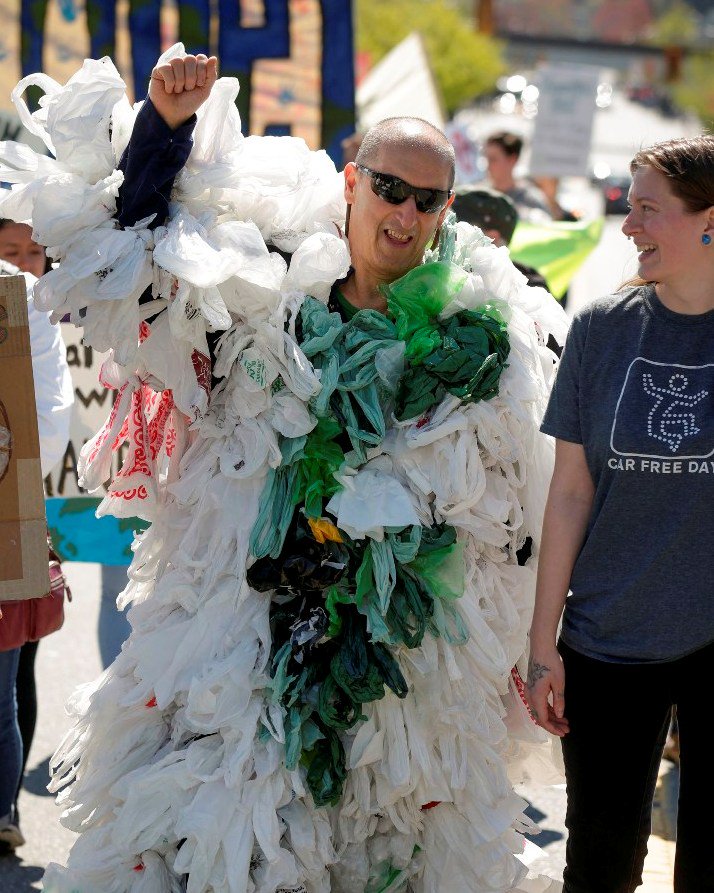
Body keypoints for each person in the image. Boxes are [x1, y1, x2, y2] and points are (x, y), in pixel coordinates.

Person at [1, 49, 567, 891]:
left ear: (447, 209)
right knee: (225, 853)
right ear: (351, 181)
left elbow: (517, 509)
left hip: (392, 683)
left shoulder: (478, 339)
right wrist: (163, 127)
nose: (405, 214)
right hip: (242, 647)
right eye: (389, 189)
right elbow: (143, 260)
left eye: (428, 200)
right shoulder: (266, 286)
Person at [527, 134, 714, 893]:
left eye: (647, 210)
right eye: (627, 209)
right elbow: (570, 491)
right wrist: (543, 643)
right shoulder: (601, 328)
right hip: (609, 641)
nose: (628, 226)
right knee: (602, 863)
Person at [0, 221, 73, 853]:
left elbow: (51, 416)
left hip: (9, 510)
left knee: (9, 669)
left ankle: (3, 809)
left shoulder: (24, 301)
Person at [483, 132, 553, 220]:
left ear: (513, 159)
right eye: (486, 158)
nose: (487, 165)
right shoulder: (479, 196)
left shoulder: (531, 200)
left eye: (493, 159)